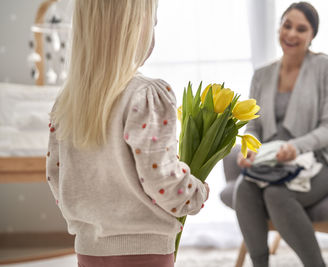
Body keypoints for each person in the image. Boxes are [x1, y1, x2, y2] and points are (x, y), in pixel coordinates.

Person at [46, 1, 209, 267]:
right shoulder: (146, 96)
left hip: (89, 249)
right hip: (146, 251)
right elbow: (162, 181)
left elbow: (56, 176)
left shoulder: (66, 103)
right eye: (153, 24)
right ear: (136, 27)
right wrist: (196, 192)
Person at [234, 2, 328, 267]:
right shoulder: (261, 75)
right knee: (243, 190)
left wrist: (296, 147)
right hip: (273, 161)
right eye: (287, 25)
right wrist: (249, 148)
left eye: (301, 28)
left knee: (276, 194)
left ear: (312, 36)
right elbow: (253, 126)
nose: (291, 34)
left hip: (319, 159)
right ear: (279, 27)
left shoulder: (326, 67)